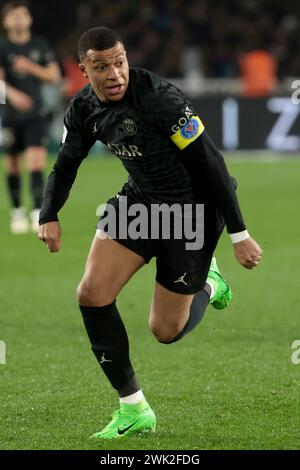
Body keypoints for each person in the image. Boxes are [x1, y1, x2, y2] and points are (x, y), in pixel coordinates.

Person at [38, 27, 262, 439]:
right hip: (140, 202)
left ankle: (209, 283)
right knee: (91, 293)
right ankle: (133, 407)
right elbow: (65, 165)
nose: (114, 73)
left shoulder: (161, 99)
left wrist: (238, 234)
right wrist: (48, 213)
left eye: (119, 61)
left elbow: (212, 165)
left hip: (192, 212)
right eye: (101, 66)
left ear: (127, 59)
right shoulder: (84, 108)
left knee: (165, 331)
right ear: (84, 70)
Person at [0, 0, 61, 233]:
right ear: (6, 21)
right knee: (13, 166)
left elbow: (54, 76)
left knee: (35, 163)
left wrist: (31, 67)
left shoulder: (39, 44)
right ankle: (17, 212)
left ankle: (37, 212)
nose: (18, 19)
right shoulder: (2, 46)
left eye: (21, 15)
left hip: (36, 113)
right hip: (10, 114)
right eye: (13, 15)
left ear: (29, 19)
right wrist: (12, 95)